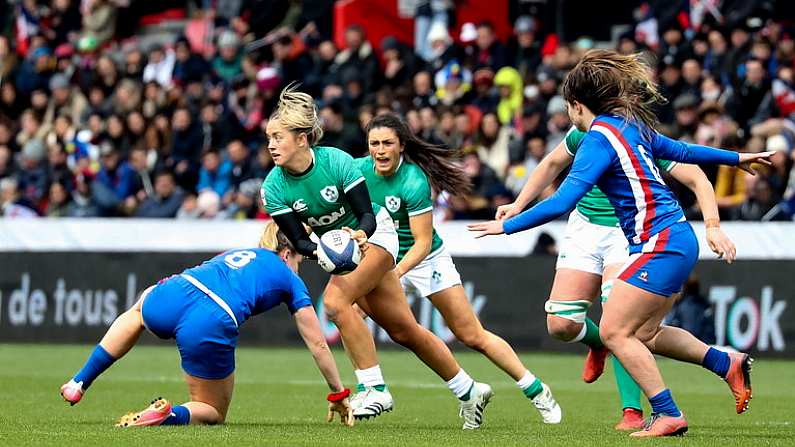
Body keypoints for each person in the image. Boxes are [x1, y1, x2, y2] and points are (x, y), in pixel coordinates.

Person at [468, 49, 773, 437]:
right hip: (675, 238)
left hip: (659, 243)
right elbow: (683, 151)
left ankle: (667, 413)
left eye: (568, 109)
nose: (568, 116)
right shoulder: (629, 127)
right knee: (643, 334)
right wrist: (737, 157)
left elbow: (563, 201)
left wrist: (507, 228)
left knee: (614, 332)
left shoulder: (596, 141)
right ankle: (723, 363)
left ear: (578, 106)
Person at [261, 87, 493, 429]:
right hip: (343, 253)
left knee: (337, 302)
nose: (271, 145)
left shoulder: (336, 162)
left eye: (278, 137)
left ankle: (375, 387)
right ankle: (469, 388)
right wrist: (321, 251)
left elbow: (367, 215)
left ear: (302, 139)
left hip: (377, 236)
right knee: (404, 331)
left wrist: (360, 235)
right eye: (269, 137)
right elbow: (298, 240)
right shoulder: (274, 187)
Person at [494, 123, 738, 430]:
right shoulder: (582, 130)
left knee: (620, 321)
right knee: (562, 324)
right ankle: (600, 344)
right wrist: (518, 204)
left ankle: (632, 411)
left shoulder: (636, 133)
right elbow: (553, 162)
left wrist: (713, 225)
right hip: (584, 228)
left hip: (629, 231)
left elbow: (695, 175)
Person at [357, 114, 561, 423]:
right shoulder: (358, 173)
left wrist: (394, 275)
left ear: (401, 146)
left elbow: (422, 243)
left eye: (388, 143)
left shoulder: (413, 181)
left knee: (471, 334)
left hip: (423, 260)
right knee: (351, 312)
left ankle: (536, 390)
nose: (381, 150)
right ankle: (376, 388)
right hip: (382, 257)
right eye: (375, 144)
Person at [60, 223, 354, 427]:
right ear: (288, 252)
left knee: (136, 312)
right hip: (212, 318)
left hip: (179, 288)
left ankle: (79, 382)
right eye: (300, 259)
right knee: (212, 411)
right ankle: (168, 415)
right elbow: (317, 344)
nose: (298, 265)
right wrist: (338, 393)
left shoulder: (236, 253)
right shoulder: (292, 280)